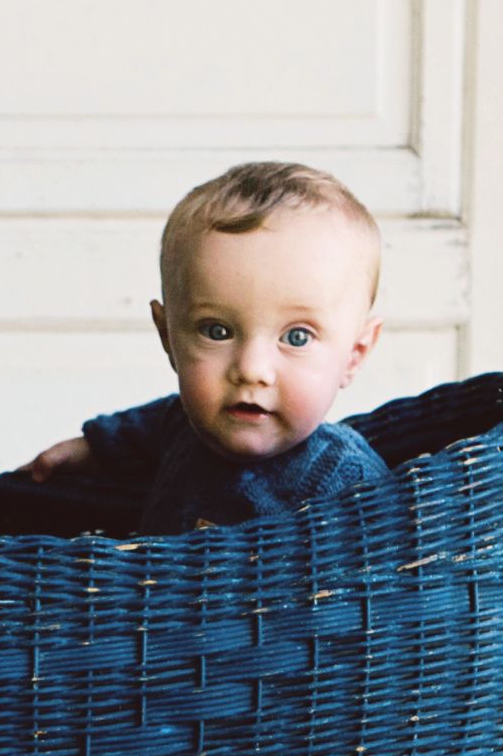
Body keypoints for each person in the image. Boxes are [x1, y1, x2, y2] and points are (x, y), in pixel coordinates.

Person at [19, 161, 388, 534]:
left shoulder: (345, 481)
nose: (252, 369)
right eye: (217, 330)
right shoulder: (186, 427)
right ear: (168, 336)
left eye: (296, 337)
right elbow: (150, 426)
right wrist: (93, 448)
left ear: (354, 355)